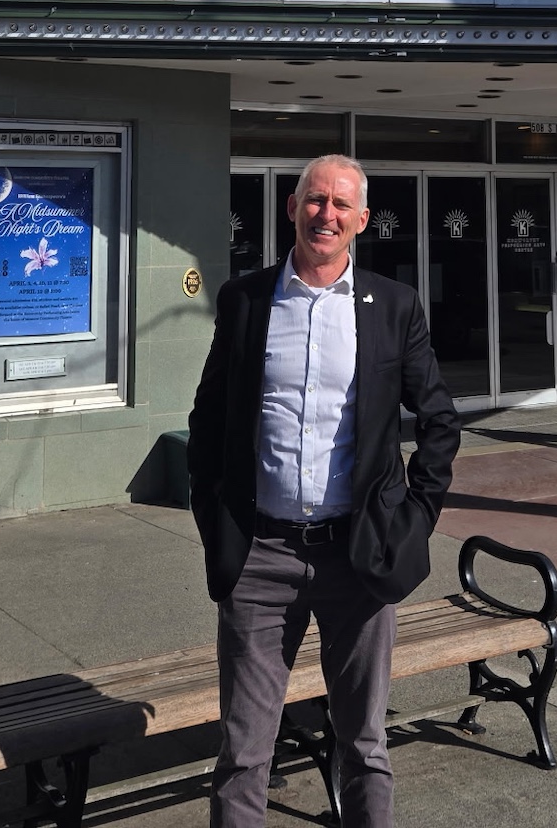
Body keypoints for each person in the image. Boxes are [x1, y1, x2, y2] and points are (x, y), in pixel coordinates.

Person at [187, 153, 458, 828]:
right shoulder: (246, 300)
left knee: (364, 744)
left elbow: (439, 423)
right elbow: (209, 418)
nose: (325, 215)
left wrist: (413, 521)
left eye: (341, 205)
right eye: (314, 200)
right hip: (261, 556)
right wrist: (214, 515)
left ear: (362, 220)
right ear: (291, 208)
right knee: (244, 751)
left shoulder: (393, 306)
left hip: (358, 556)